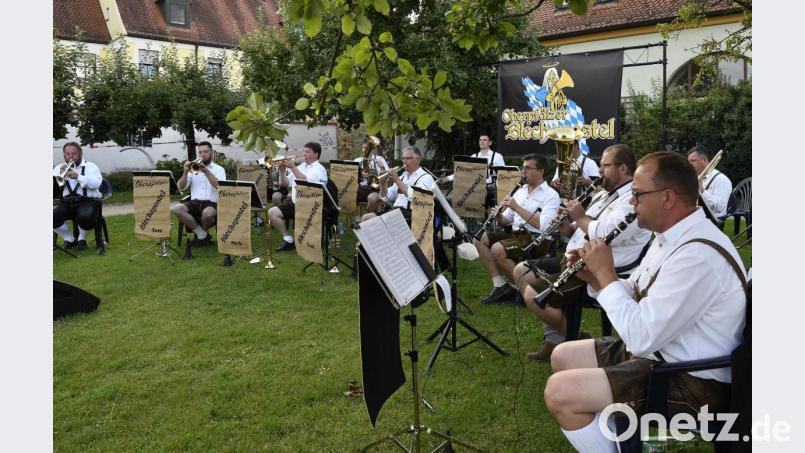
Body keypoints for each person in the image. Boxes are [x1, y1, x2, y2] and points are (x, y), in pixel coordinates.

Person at [543, 151, 747, 453]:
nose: (630, 201)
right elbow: (636, 289)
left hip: (694, 379)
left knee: (560, 393)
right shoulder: (671, 237)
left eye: (637, 194)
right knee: (563, 356)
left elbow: (639, 337)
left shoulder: (696, 256)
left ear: (668, 197)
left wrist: (607, 275)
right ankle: (621, 439)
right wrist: (597, 278)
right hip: (665, 352)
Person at [512, 144, 652, 361]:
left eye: (605, 166)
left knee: (532, 294)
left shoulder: (632, 200)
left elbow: (604, 233)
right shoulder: (602, 195)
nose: (600, 171)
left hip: (600, 268)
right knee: (521, 270)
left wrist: (578, 216)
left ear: (623, 168)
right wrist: (567, 228)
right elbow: (581, 230)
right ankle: (560, 335)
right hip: (575, 259)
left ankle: (571, 338)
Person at [474, 154, 560, 304]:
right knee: (479, 239)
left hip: (537, 239)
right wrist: (499, 216)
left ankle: (525, 292)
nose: (523, 172)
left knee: (497, 249)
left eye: (528, 168)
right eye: (523, 168)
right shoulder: (520, 191)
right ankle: (500, 285)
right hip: (517, 235)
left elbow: (543, 225)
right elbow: (508, 220)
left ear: (540, 171)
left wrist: (517, 207)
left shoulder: (551, 195)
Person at [268, 142, 329, 251]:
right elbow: (285, 184)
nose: (304, 154)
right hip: (297, 204)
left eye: (308, 152)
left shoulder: (319, 169)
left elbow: (304, 182)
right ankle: (288, 239)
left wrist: (293, 167)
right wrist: (282, 172)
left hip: (312, 207)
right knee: (272, 212)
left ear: (316, 154)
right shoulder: (302, 166)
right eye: (304, 151)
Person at [171, 141, 227, 246]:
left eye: (205, 152)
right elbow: (180, 187)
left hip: (212, 203)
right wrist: (185, 172)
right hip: (195, 202)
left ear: (212, 152)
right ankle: (202, 235)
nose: (202, 155)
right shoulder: (193, 169)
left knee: (208, 214)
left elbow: (219, 186)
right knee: (176, 209)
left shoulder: (219, 169)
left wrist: (206, 171)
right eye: (200, 152)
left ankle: (201, 238)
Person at [361, 146, 434, 224]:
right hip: (395, 212)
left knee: (369, 221)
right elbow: (385, 198)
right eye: (403, 158)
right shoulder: (403, 176)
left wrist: (397, 180)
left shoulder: (426, 177)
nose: (404, 161)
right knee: (366, 218)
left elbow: (416, 198)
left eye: (408, 158)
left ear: (418, 160)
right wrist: (383, 184)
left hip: (410, 215)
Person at [53, 142, 103, 251]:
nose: (70, 157)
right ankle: (69, 239)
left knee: (87, 217)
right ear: (64, 155)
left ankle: (82, 239)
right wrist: (57, 179)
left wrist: (78, 176)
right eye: (67, 154)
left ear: (80, 153)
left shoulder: (91, 167)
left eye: (74, 153)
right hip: (66, 202)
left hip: (87, 201)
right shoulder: (59, 168)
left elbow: (96, 184)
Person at [440, 134, 506, 207]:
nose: (482, 142)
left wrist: (497, 186)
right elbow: (462, 172)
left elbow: (503, 174)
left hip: (491, 188)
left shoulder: (497, 156)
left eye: (484, 140)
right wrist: (447, 178)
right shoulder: (474, 156)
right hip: (475, 187)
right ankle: (461, 214)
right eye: (480, 140)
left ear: (490, 142)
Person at [687, 145, 732, 218]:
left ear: (704, 160)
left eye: (693, 161)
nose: (689, 165)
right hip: (696, 217)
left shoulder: (722, 179)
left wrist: (702, 190)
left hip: (712, 220)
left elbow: (719, 207)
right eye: (688, 161)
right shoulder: (693, 177)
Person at [354, 136, 389, 216]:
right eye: (363, 147)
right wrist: (360, 175)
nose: (365, 150)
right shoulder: (357, 160)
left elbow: (387, 177)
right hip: (361, 189)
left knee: (373, 197)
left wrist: (382, 167)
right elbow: (352, 178)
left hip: (375, 189)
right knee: (349, 194)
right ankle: (357, 218)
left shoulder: (379, 159)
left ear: (372, 148)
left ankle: (370, 218)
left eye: (367, 147)